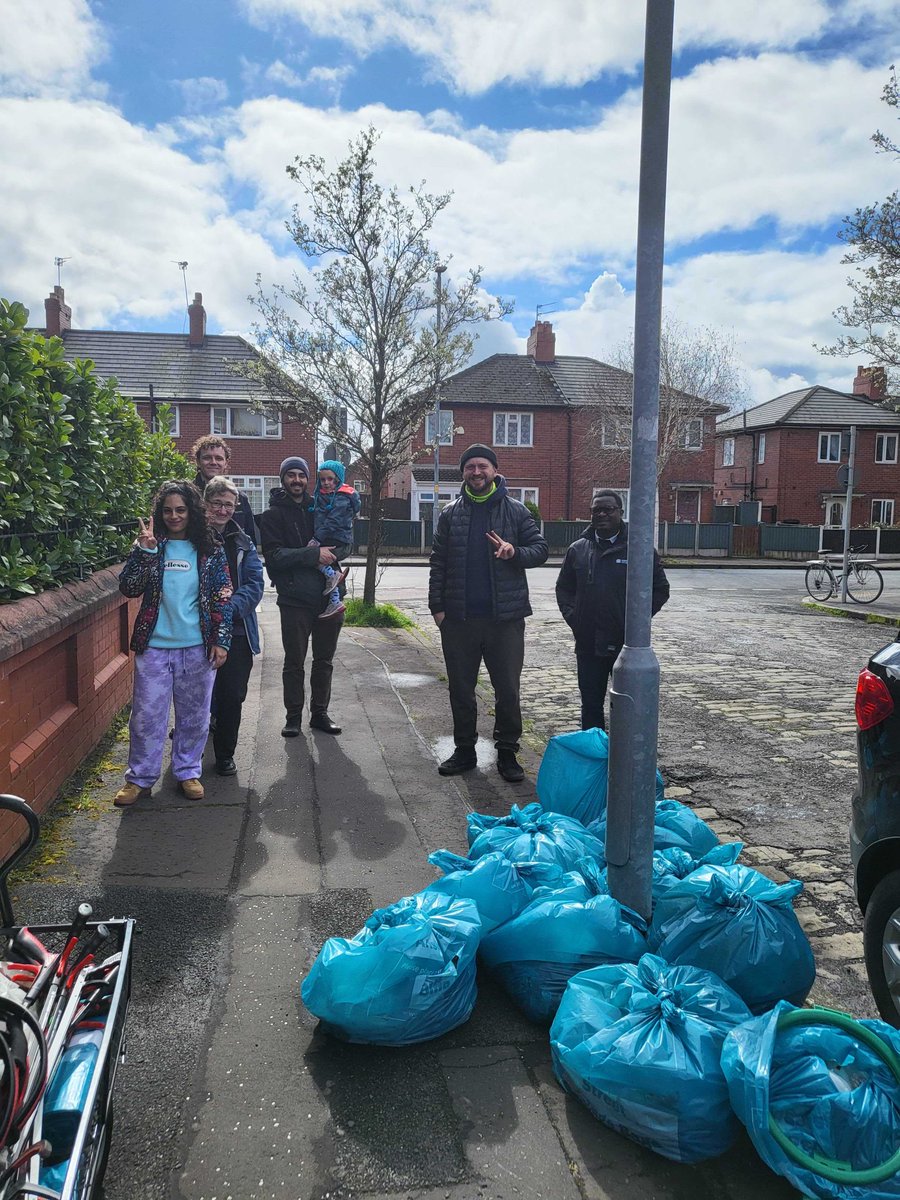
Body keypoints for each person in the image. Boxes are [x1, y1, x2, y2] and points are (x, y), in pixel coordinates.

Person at [428, 443, 549, 782]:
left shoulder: (516, 511)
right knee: (461, 689)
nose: (477, 472)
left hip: (504, 621)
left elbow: (540, 549)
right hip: (459, 621)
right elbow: (438, 562)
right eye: (470, 467)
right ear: (463, 473)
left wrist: (515, 552)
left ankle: (508, 753)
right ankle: (465, 750)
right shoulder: (450, 514)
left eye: (483, 466)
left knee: (507, 690)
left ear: (494, 470)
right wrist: (437, 609)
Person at [114, 480, 233, 807]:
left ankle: (187, 771)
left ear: (192, 511)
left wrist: (221, 641)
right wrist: (145, 551)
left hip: (197, 647)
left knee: (195, 716)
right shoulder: (153, 545)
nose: (174, 516)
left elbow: (224, 595)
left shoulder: (209, 549)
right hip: (154, 647)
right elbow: (129, 588)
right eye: (167, 510)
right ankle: (139, 777)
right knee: (146, 716)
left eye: (180, 510)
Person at [555, 489, 670, 732]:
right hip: (588, 644)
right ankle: (596, 756)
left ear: (621, 512)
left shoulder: (639, 549)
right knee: (590, 705)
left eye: (608, 509)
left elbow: (660, 589)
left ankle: (626, 757)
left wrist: (636, 621)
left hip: (626, 644)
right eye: (597, 510)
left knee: (628, 704)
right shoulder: (578, 549)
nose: (602, 514)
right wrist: (575, 618)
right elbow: (564, 589)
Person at [258, 456, 346, 738]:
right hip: (294, 599)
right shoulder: (272, 516)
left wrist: (334, 553)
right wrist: (313, 555)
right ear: (283, 479)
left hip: (328, 597)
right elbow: (274, 557)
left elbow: (342, 543)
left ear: (308, 480)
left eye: (302, 475)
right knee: (294, 661)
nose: (297, 480)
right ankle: (293, 716)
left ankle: (320, 713)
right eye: (291, 475)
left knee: (324, 660)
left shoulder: (320, 507)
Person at [204, 476, 265, 776]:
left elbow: (255, 584)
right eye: (217, 503)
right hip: (197, 632)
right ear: (206, 505)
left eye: (229, 504)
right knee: (195, 698)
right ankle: (187, 760)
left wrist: (227, 610)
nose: (223, 510)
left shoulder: (244, 542)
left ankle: (225, 755)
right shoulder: (192, 540)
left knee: (232, 696)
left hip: (238, 632)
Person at [309, 459, 357, 620]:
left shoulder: (342, 498)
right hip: (333, 540)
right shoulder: (326, 496)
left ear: (338, 479)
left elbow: (333, 521)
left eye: (330, 479)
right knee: (330, 576)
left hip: (339, 542)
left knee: (312, 557)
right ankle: (335, 601)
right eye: (322, 480)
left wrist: (316, 539)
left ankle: (332, 575)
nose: (326, 483)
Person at [191, 434, 258, 543]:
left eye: (219, 458)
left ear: (226, 463)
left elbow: (250, 539)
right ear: (198, 461)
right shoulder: (188, 495)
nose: (213, 462)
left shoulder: (240, 498)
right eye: (207, 458)